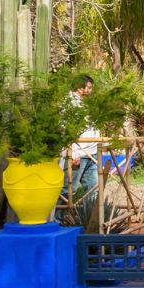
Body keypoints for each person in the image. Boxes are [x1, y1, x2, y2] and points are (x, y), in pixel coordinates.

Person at [63, 75, 101, 205]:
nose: (91, 91)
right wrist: (74, 153)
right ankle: (59, 220)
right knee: (68, 189)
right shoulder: (69, 103)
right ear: (80, 88)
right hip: (79, 153)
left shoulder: (86, 103)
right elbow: (66, 129)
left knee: (92, 188)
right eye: (89, 88)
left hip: (92, 153)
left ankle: (90, 220)